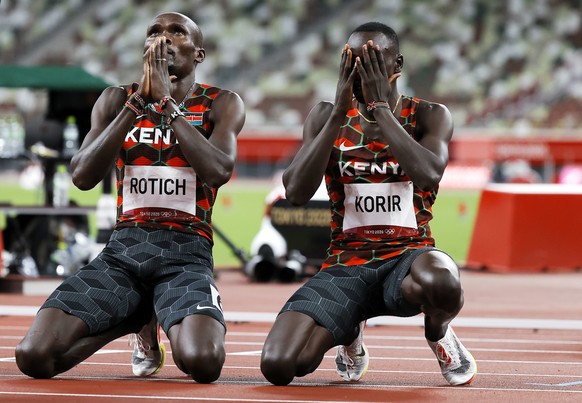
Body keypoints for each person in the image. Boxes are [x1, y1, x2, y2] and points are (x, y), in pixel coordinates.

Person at [15, 12, 245, 384]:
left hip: (186, 254)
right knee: (33, 357)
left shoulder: (221, 103)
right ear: (144, 49)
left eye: (177, 32)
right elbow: (82, 177)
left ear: (198, 54)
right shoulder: (116, 100)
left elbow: (218, 171)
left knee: (203, 362)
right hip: (124, 251)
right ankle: (136, 317)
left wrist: (169, 108)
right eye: (154, 32)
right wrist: (137, 105)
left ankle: (146, 311)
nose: (163, 39)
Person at [260, 22, 477, 386]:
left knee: (443, 282)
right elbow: (295, 192)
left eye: (374, 61)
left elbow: (428, 175)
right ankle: (350, 331)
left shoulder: (429, 115)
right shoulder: (325, 115)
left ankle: (439, 335)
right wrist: (336, 115)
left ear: (398, 65)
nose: (362, 71)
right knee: (281, 365)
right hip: (347, 262)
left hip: (408, 258)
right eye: (353, 62)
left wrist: (380, 107)